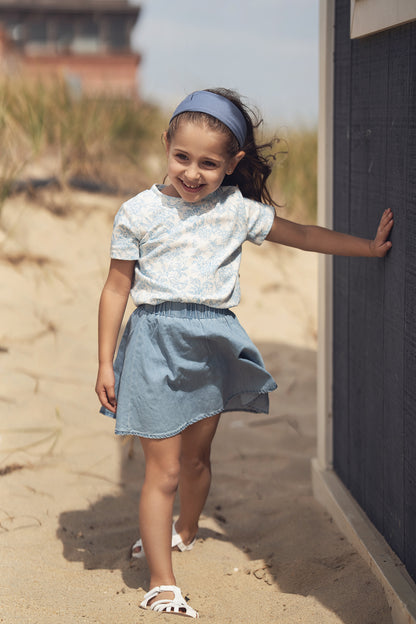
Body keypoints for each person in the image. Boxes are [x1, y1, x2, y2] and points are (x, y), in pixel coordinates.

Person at [95, 88, 393, 618]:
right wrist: (103, 361)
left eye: (209, 163)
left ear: (232, 164)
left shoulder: (236, 211)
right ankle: (162, 582)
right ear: (166, 144)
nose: (192, 172)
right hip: (152, 346)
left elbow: (301, 234)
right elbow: (117, 288)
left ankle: (185, 529)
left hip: (212, 344)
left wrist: (366, 248)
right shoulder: (137, 212)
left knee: (196, 458)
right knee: (160, 471)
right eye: (182, 157)